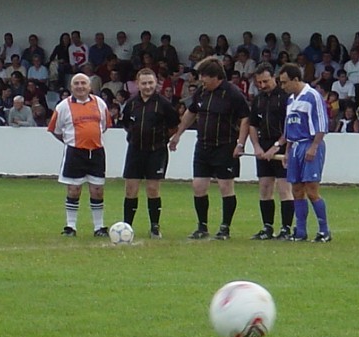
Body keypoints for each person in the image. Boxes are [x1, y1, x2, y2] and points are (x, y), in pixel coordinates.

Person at [169, 56, 250, 240]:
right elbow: (191, 113)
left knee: (225, 187)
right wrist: (178, 134)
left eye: (204, 77)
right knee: (198, 186)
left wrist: (240, 143)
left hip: (225, 146)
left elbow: (245, 118)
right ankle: (202, 226)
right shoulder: (201, 92)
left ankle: (225, 228)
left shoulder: (233, 94)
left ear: (216, 77)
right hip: (203, 145)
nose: (201, 81)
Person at [47, 73, 112, 238]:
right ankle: (70, 226)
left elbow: (104, 125)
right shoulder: (63, 106)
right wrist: (71, 141)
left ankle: (99, 227)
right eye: (76, 83)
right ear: (71, 87)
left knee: (97, 190)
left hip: (96, 152)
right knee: (73, 189)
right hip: (75, 152)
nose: (80, 86)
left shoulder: (100, 103)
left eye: (84, 83)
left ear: (90, 87)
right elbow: (55, 130)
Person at [235, 64, 294, 240]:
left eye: (265, 81)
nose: (262, 85)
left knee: (284, 188)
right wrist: (257, 147)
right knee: (265, 187)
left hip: (283, 146)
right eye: (259, 82)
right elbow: (253, 125)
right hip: (263, 146)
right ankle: (267, 227)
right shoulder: (258, 99)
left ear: (274, 78)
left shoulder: (286, 98)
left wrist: (277, 146)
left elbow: (290, 126)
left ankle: (286, 228)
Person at [121, 68, 180, 239]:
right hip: (135, 151)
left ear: (156, 84)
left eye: (150, 83)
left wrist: (162, 139)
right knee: (130, 189)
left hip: (157, 151)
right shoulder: (131, 104)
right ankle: (127, 226)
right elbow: (126, 123)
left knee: (153, 189)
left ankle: (154, 227)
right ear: (138, 84)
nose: (147, 86)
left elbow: (174, 125)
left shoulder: (164, 104)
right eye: (144, 83)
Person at [279, 63, 331, 242]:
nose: (283, 86)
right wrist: (287, 151)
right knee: (296, 189)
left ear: (295, 79)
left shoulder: (312, 96)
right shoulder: (291, 100)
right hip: (295, 147)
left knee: (311, 189)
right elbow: (289, 127)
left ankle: (324, 231)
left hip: (309, 144)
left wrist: (314, 146)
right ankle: (300, 231)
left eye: (285, 82)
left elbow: (322, 124)